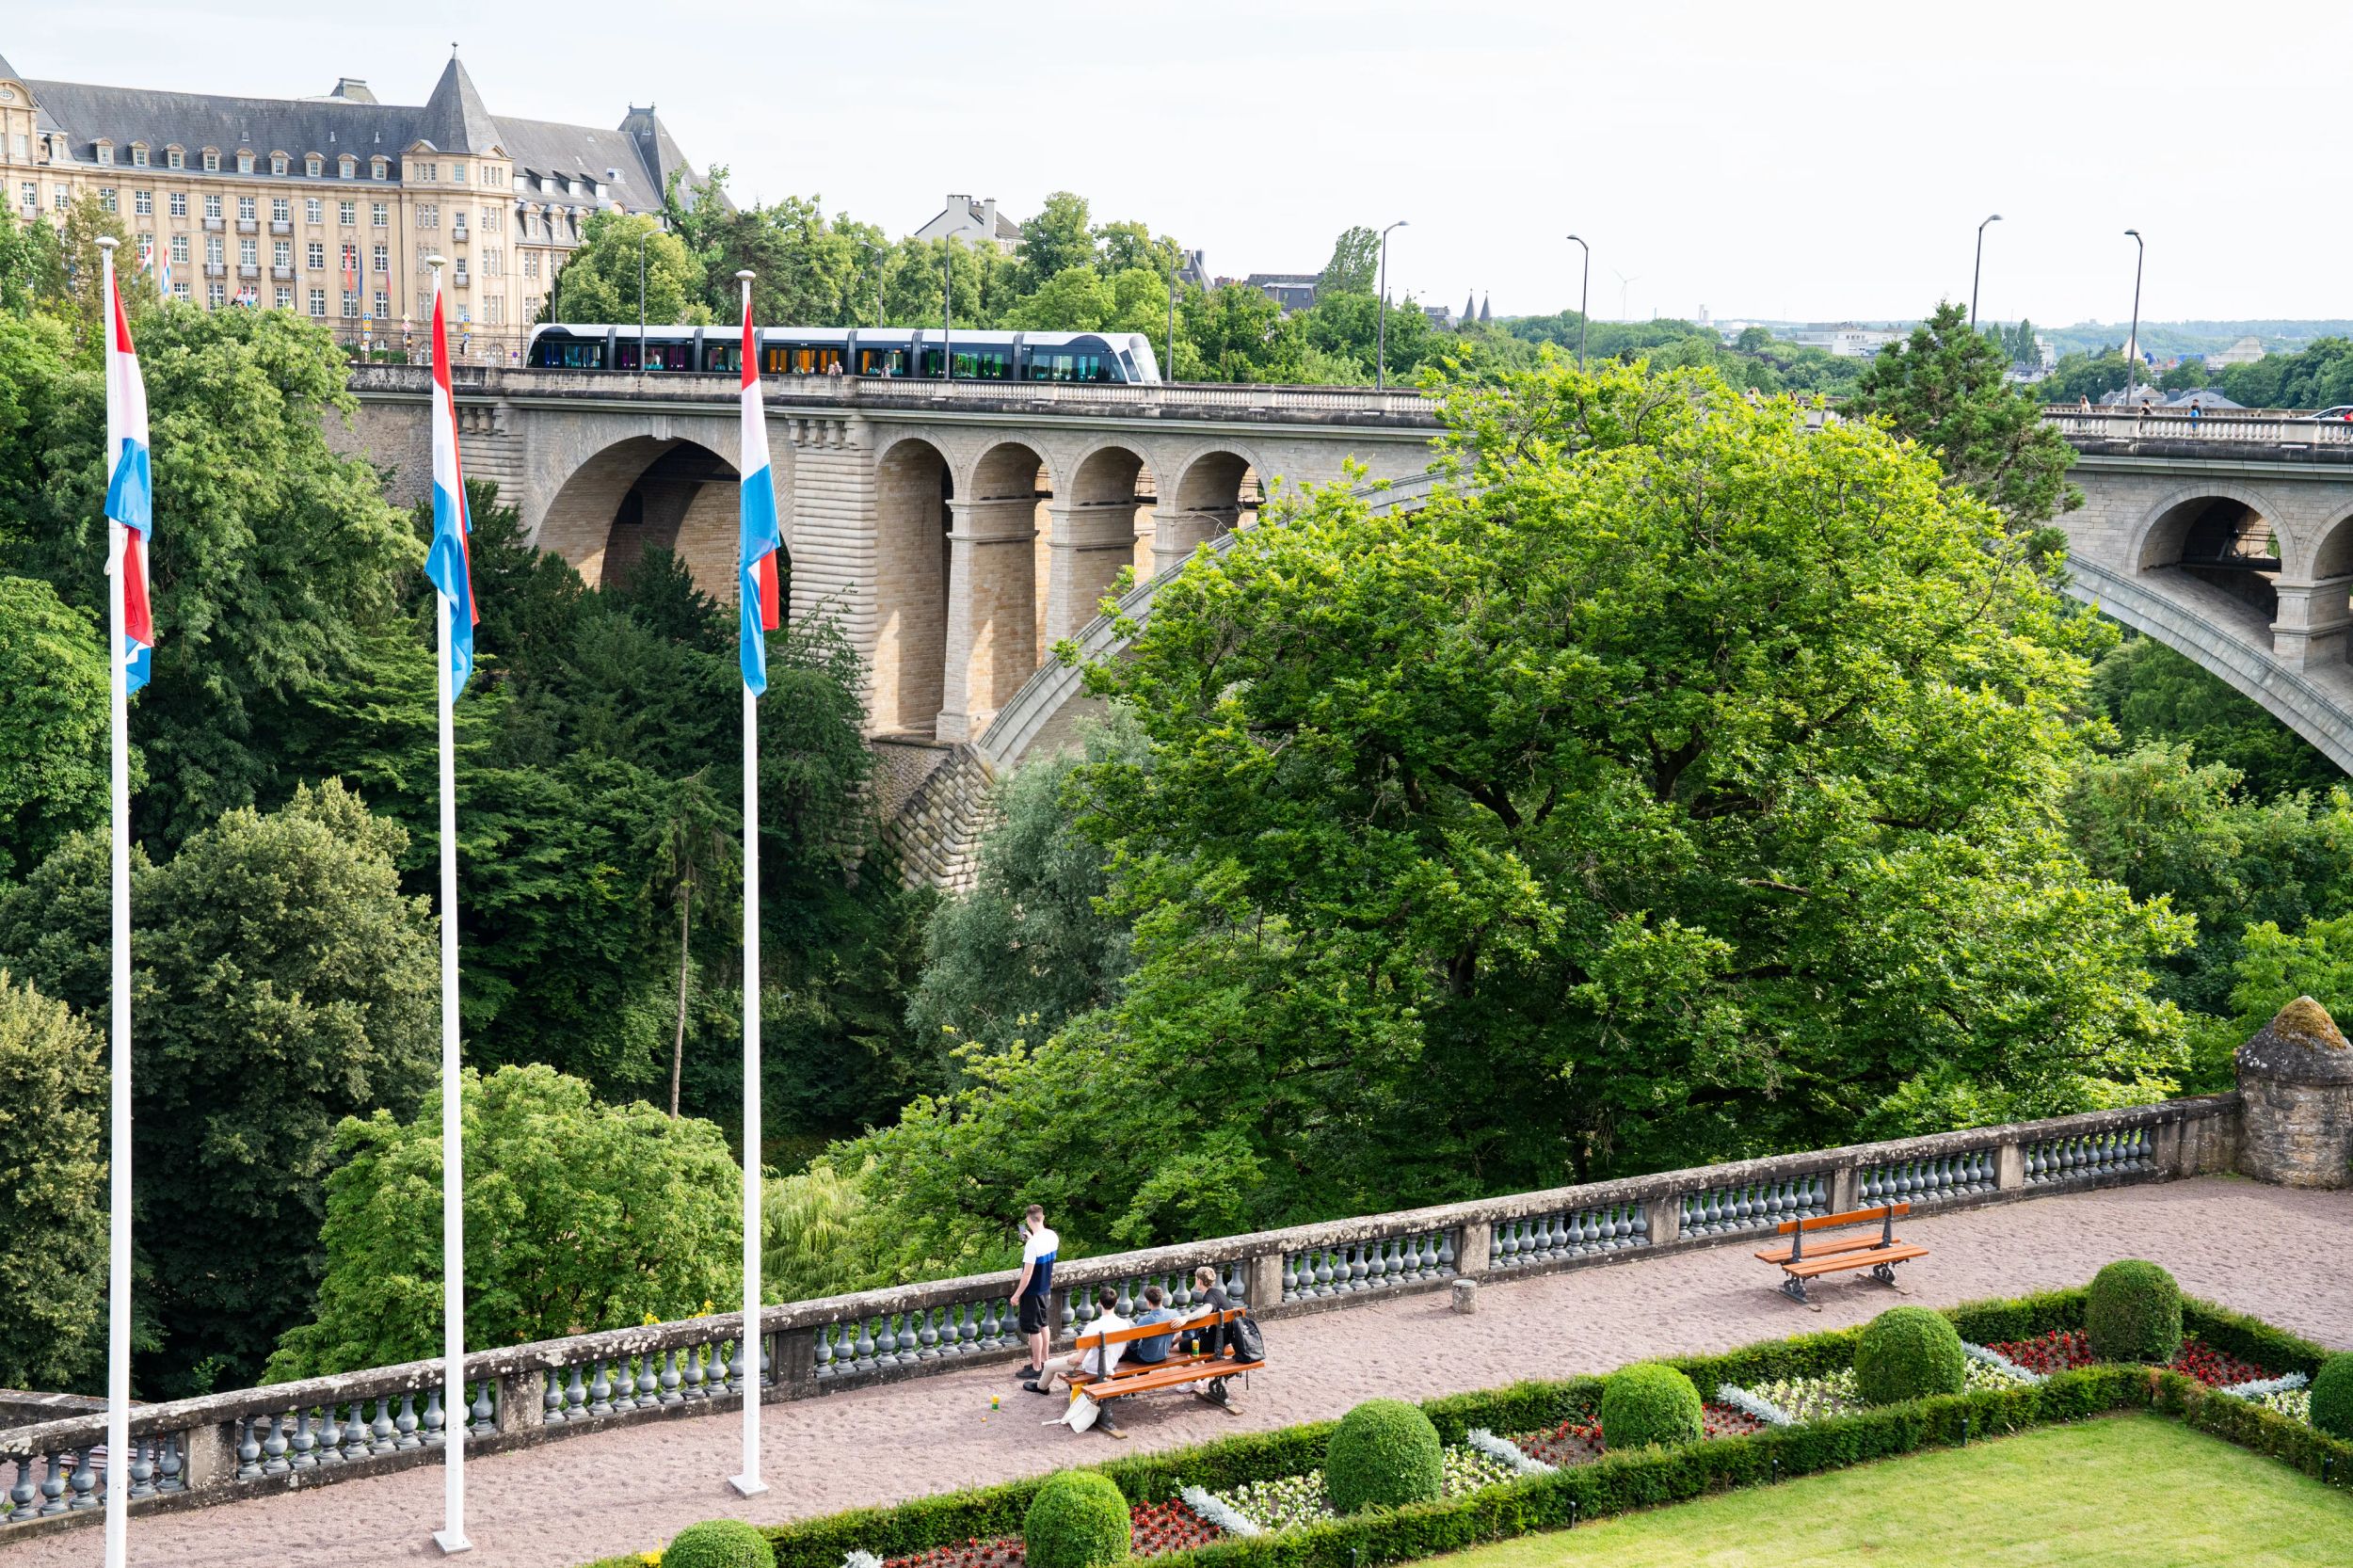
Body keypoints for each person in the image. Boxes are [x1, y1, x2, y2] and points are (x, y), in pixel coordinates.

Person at [1028, 1285, 1133, 1438]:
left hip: (1090, 1367)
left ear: (1099, 1303)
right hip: (1110, 1364)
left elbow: (1079, 1359)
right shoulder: (1124, 1324)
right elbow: (1122, 1351)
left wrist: (1070, 1359)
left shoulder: (1094, 1326)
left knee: (1049, 1365)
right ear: (1116, 1303)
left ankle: (1041, 1388)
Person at [1009, 1205, 1058, 1385]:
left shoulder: (1032, 1245)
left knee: (1034, 1330)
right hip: (1045, 1289)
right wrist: (1031, 1238)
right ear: (1042, 1217)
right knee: (1044, 1324)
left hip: (1032, 1293)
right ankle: (1045, 1360)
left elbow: (1027, 1274)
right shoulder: (1052, 1236)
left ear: (1028, 1220)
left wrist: (1016, 1295)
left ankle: (1037, 1367)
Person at [1127, 1286, 1181, 1366]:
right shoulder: (1174, 1314)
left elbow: (1133, 1345)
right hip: (1163, 1355)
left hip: (1146, 1358)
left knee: (1124, 1352)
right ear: (1162, 1300)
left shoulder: (1143, 1321)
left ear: (1148, 1303)